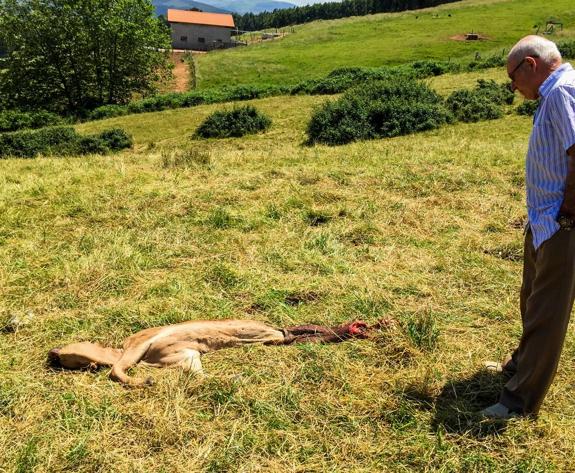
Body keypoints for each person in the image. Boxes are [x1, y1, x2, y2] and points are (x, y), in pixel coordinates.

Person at [481, 35, 575, 419]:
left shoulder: (561, 93)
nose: (514, 87)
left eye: (512, 78)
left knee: (546, 312)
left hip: (560, 223)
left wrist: (566, 213)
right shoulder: (553, 93)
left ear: (530, 66)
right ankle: (521, 365)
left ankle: (519, 402)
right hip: (545, 219)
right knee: (532, 299)